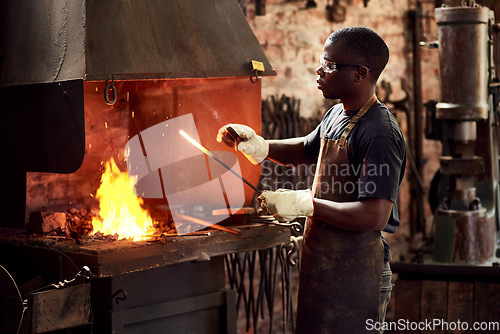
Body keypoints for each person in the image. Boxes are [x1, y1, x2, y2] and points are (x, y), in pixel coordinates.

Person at [217, 26, 406, 333]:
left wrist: (306, 203)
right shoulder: (336, 115)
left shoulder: (379, 132)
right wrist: (262, 147)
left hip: (358, 272)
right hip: (323, 265)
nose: (319, 71)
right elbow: (307, 147)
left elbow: (374, 215)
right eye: (322, 61)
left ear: (360, 74)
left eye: (329, 65)